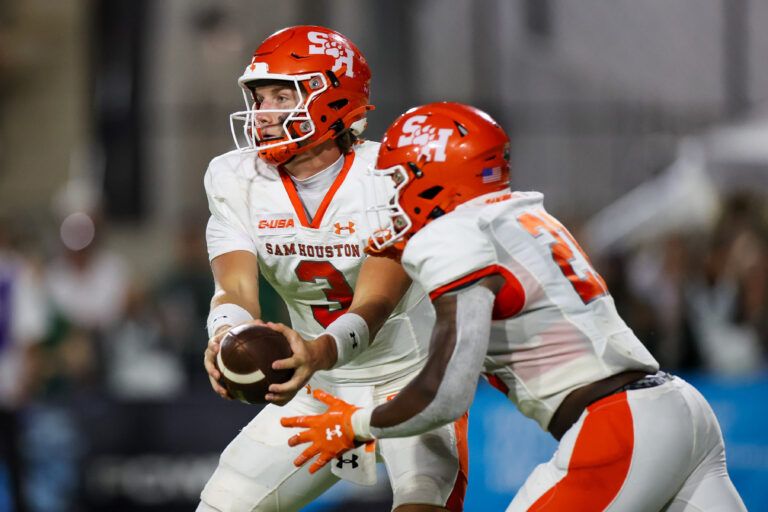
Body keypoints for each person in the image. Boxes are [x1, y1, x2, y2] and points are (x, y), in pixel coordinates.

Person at [281, 102, 747, 511]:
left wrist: (356, 424)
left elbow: (447, 391)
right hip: (681, 410)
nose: (389, 198)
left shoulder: (453, 234)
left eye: (397, 180)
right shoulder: (524, 213)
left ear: (431, 177)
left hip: (619, 425)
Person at [198, 27, 468, 512]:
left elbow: (376, 302)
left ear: (334, 96)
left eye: (283, 95)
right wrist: (225, 336)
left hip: (411, 381)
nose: (264, 112)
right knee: (223, 504)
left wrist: (318, 352)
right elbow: (234, 290)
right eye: (260, 98)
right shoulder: (234, 178)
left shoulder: (388, 175)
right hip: (318, 389)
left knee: (422, 500)